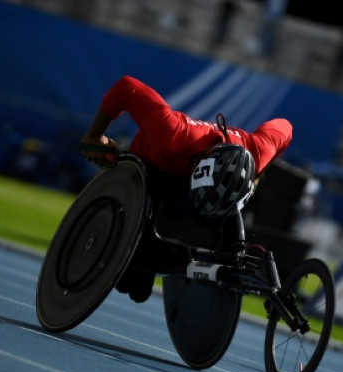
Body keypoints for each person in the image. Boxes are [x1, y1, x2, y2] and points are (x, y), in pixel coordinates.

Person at [79, 75, 293, 302]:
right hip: (155, 171)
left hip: (206, 193)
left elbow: (286, 128)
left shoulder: (259, 151)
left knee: (223, 233)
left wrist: (258, 174)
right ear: (196, 167)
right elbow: (127, 87)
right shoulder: (171, 135)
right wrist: (94, 135)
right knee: (134, 285)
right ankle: (145, 255)